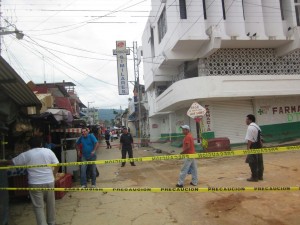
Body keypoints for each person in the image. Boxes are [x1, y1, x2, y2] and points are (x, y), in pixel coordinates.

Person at [11, 136, 60, 225]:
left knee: (38, 207)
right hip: (49, 181)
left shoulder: (27, 154)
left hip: (35, 183)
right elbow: (57, 164)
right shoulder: (48, 151)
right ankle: (51, 222)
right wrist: (53, 174)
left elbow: (12, 162)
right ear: (41, 144)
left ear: (29, 146)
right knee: (50, 204)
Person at [245, 114, 264, 182]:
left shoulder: (250, 127)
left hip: (253, 146)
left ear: (250, 120)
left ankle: (254, 177)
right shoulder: (257, 126)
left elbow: (249, 140)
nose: (245, 121)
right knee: (259, 161)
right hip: (258, 145)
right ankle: (260, 176)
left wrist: (248, 149)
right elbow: (261, 138)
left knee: (252, 162)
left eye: (246, 119)